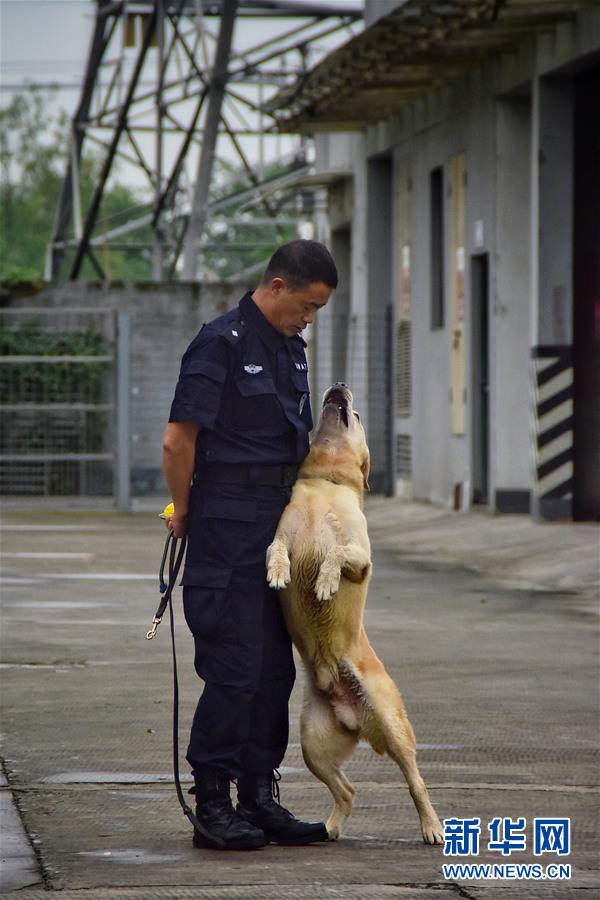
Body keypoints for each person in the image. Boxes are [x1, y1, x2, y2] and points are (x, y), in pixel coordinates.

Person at [162, 239, 338, 851]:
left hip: (280, 526)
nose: (309, 319)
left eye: (318, 311)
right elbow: (178, 440)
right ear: (278, 286)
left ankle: (259, 796)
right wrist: (184, 510)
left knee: (272, 672)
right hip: (227, 525)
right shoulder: (221, 343)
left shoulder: (290, 348)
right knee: (235, 668)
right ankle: (212, 801)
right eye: (307, 305)